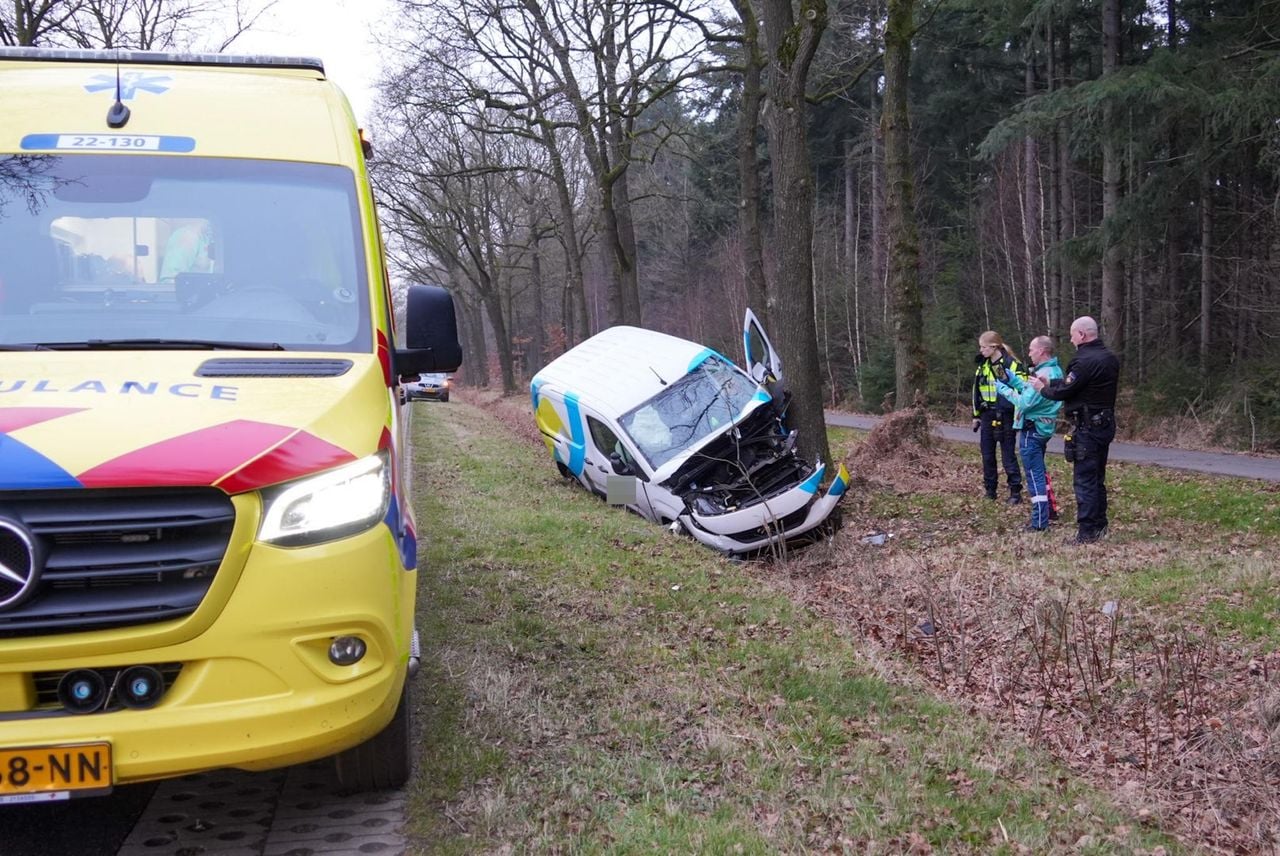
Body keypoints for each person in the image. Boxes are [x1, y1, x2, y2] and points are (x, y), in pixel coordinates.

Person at [1030, 316, 1120, 544]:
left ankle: (1087, 531)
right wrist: (1052, 385)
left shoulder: (1083, 361)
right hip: (1105, 424)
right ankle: (1100, 526)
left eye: (1072, 335)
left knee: (1085, 479)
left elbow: (1066, 392)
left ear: (1082, 335)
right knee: (1098, 477)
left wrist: (1043, 389)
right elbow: (1078, 387)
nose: (1070, 340)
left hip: (1087, 428)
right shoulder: (1110, 359)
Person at [995, 335, 1063, 531]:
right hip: (1041, 429)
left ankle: (1039, 523)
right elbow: (1030, 391)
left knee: (1034, 476)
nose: (1029, 353)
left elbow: (1025, 402)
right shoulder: (1052, 370)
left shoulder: (1047, 372)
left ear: (1042, 351)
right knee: (1040, 470)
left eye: (1032, 349)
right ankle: (1049, 511)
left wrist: (1003, 390)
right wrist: (1013, 380)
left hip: (1032, 429)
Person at [972, 331, 1025, 504]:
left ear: (994, 347)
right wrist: (976, 415)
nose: (981, 350)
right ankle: (990, 490)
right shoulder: (983, 365)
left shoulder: (1012, 364)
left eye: (983, 347)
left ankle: (1015, 491)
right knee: (987, 454)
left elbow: (1023, 390)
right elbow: (976, 390)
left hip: (1006, 414)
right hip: (987, 414)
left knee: (1008, 454)